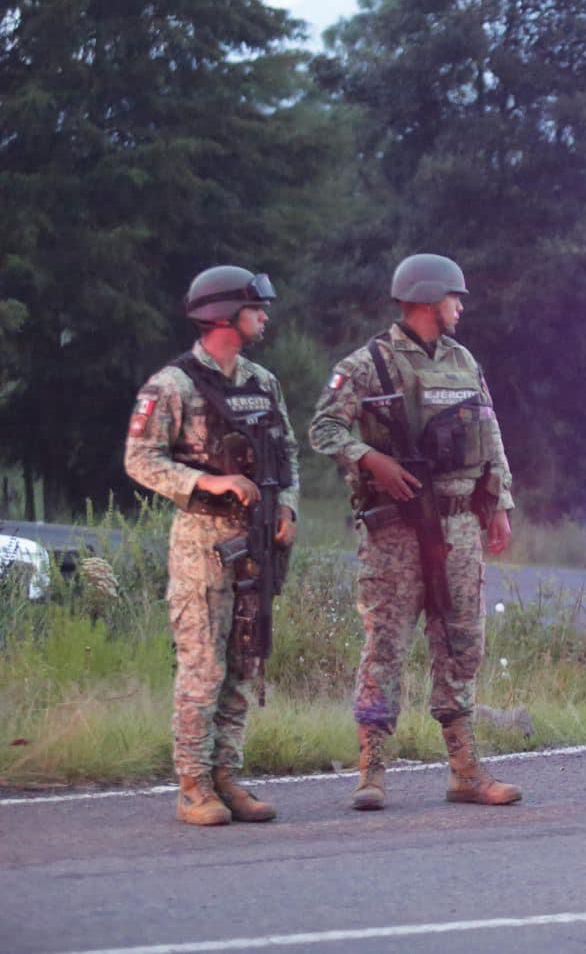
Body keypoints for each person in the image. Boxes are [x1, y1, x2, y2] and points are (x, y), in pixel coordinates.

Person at [308, 253, 519, 811]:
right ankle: (371, 771)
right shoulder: (367, 365)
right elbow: (324, 427)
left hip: (459, 524)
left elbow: (489, 434)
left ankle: (465, 772)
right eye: (454, 297)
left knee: (462, 646)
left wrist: (499, 504)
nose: (460, 306)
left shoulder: (463, 361)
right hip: (397, 530)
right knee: (386, 647)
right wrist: (368, 458)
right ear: (426, 300)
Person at [124, 266, 298, 826]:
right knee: (203, 667)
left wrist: (288, 506)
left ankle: (227, 776)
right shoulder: (171, 385)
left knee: (245, 659)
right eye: (255, 307)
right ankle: (193, 785)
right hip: (202, 543)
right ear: (224, 315)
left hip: (256, 543)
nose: (265, 316)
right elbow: (139, 460)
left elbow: (287, 453)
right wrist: (207, 482)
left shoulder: (262, 383)